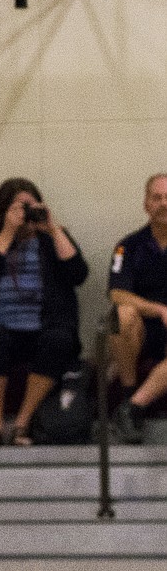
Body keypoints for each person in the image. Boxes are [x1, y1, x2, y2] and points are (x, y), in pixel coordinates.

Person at [0, 178, 88, 446]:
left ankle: (22, 422)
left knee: (60, 339)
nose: (26, 213)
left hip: (43, 329)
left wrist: (53, 230)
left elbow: (78, 273)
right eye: (18, 207)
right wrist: (8, 231)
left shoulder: (52, 238)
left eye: (31, 207)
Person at [109, 173, 167, 441]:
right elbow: (117, 293)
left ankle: (132, 407)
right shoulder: (128, 247)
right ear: (146, 204)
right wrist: (158, 310)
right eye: (157, 197)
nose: (163, 203)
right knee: (122, 314)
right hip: (143, 331)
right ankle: (129, 390)